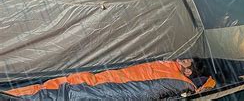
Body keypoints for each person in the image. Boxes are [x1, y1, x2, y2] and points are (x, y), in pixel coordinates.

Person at [6, 58, 215, 99]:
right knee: (61, 86)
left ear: (189, 71)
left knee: (62, 92)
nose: (181, 58)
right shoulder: (167, 65)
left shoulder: (178, 81)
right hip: (109, 79)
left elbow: (143, 91)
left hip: (109, 88)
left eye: (186, 61)